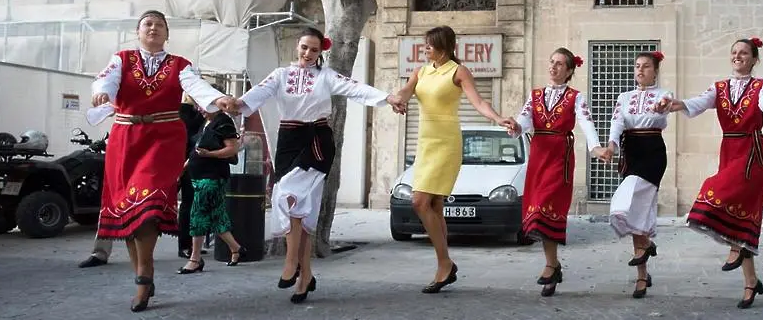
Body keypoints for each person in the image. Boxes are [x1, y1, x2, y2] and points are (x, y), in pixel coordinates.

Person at [233, 27, 406, 304]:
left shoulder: (326, 76)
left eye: (314, 49)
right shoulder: (280, 75)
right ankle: (306, 275)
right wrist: (235, 103)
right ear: (297, 46)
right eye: (304, 47)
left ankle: (291, 262)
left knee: (290, 195)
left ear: (320, 51)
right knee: (299, 208)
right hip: (288, 140)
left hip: (317, 141)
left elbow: (354, 88)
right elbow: (256, 95)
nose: (307, 53)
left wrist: (388, 98)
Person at [91, 9, 235, 312]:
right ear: (138, 31)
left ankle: (144, 277)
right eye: (147, 24)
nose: (153, 28)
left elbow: (195, 86)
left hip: (163, 140)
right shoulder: (123, 58)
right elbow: (107, 79)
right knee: (127, 208)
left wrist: (216, 99)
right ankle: (143, 272)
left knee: (148, 203)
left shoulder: (179, 65)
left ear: (167, 33)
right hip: (126, 139)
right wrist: (102, 92)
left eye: (159, 25)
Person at [657, 37, 763, 309]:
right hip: (730, 150)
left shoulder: (761, 86)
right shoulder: (720, 87)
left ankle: (735, 248)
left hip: (752, 154)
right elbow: (698, 102)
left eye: (744, 53)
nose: (738, 56)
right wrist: (674, 104)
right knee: (739, 216)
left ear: (754, 59)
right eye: (734, 52)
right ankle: (751, 281)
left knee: (718, 195)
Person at [395, 26, 516, 294]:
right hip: (425, 142)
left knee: (419, 201)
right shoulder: (421, 71)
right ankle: (444, 265)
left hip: (447, 143)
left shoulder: (458, 71)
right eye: (424, 45)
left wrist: (498, 118)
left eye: (429, 45)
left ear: (444, 46)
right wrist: (397, 100)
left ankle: (445, 263)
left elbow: (478, 102)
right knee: (434, 205)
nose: (425, 49)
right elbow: (405, 91)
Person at [509, 47, 611, 297]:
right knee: (538, 211)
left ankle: (550, 265)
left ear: (569, 71)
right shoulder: (534, 96)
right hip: (538, 156)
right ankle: (552, 265)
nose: (553, 67)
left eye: (559, 64)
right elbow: (525, 120)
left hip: (559, 158)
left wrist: (595, 147)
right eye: (551, 62)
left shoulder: (576, 97)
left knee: (546, 207)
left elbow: (586, 122)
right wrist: (514, 126)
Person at [607, 51, 671, 299]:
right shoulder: (624, 97)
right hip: (631, 152)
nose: (640, 70)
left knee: (632, 204)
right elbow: (617, 123)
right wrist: (612, 145)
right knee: (635, 210)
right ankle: (642, 273)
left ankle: (643, 257)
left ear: (655, 71)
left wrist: (661, 106)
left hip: (653, 152)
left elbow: (661, 111)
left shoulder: (665, 95)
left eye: (646, 66)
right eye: (637, 66)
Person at [178, 101, 245, 274]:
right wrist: (184, 167)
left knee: (197, 215)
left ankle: (195, 259)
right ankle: (237, 249)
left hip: (212, 177)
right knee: (216, 217)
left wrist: (210, 155)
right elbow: (197, 149)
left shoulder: (223, 122)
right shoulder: (205, 122)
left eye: (202, 105)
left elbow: (232, 149)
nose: (199, 109)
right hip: (198, 175)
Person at [178, 94, 207, 259]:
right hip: (186, 164)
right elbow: (192, 136)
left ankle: (192, 244)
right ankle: (185, 244)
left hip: (193, 163)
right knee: (188, 205)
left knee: (193, 204)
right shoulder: (185, 113)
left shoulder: (192, 113)